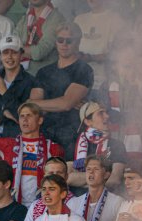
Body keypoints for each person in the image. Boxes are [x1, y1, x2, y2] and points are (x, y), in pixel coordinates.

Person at [0, 99, 64, 206]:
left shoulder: (53, 147)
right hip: (14, 205)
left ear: (40, 120)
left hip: (43, 205)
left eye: (29, 115)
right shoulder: (8, 144)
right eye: (22, 116)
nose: (25, 119)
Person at [30, 22, 94, 154]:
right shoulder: (43, 72)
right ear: (55, 42)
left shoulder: (84, 70)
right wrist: (54, 104)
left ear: (78, 42)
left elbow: (65, 104)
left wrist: (40, 104)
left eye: (69, 40)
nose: (64, 44)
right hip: (45, 135)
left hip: (72, 137)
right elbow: (32, 108)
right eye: (60, 40)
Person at [0, 35, 37, 138]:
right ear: (0, 55)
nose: (9, 57)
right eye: (5, 52)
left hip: (19, 140)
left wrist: (5, 93)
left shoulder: (31, 82)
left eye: (14, 52)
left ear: (21, 55)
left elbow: (26, 118)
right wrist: (5, 111)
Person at [68, 101, 127, 189]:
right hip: (78, 199)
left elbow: (115, 179)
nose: (107, 116)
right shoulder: (73, 144)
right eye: (101, 113)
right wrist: (102, 176)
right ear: (88, 121)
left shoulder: (116, 145)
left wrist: (82, 180)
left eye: (106, 113)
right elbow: (68, 178)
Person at [68, 155, 125, 221]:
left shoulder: (118, 202)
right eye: (88, 169)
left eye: (96, 169)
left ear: (106, 175)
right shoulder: (72, 203)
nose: (91, 172)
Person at [14, 0, 66, 74]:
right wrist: (16, 50)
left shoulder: (57, 18)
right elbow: (11, 44)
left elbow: (39, 52)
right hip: (22, 73)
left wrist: (17, 50)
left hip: (44, 75)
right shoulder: (26, 18)